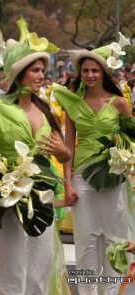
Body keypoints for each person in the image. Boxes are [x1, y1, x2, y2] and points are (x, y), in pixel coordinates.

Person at [0, 22, 71, 293]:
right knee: (10, 271)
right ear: (20, 74)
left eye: (42, 71)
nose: (41, 76)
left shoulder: (46, 109)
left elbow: (64, 151)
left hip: (42, 197)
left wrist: (63, 153)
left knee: (39, 272)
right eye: (35, 70)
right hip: (8, 198)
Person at [53, 35, 132, 295]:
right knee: (86, 239)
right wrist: (67, 183)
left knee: (114, 237)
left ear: (103, 73)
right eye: (85, 70)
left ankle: (111, 291)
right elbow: (69, 147)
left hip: (114, 177)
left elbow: (130, 141)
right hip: (82, 177)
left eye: (95, 70)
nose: (89, 74)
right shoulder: (72, 104)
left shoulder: (120, 103)